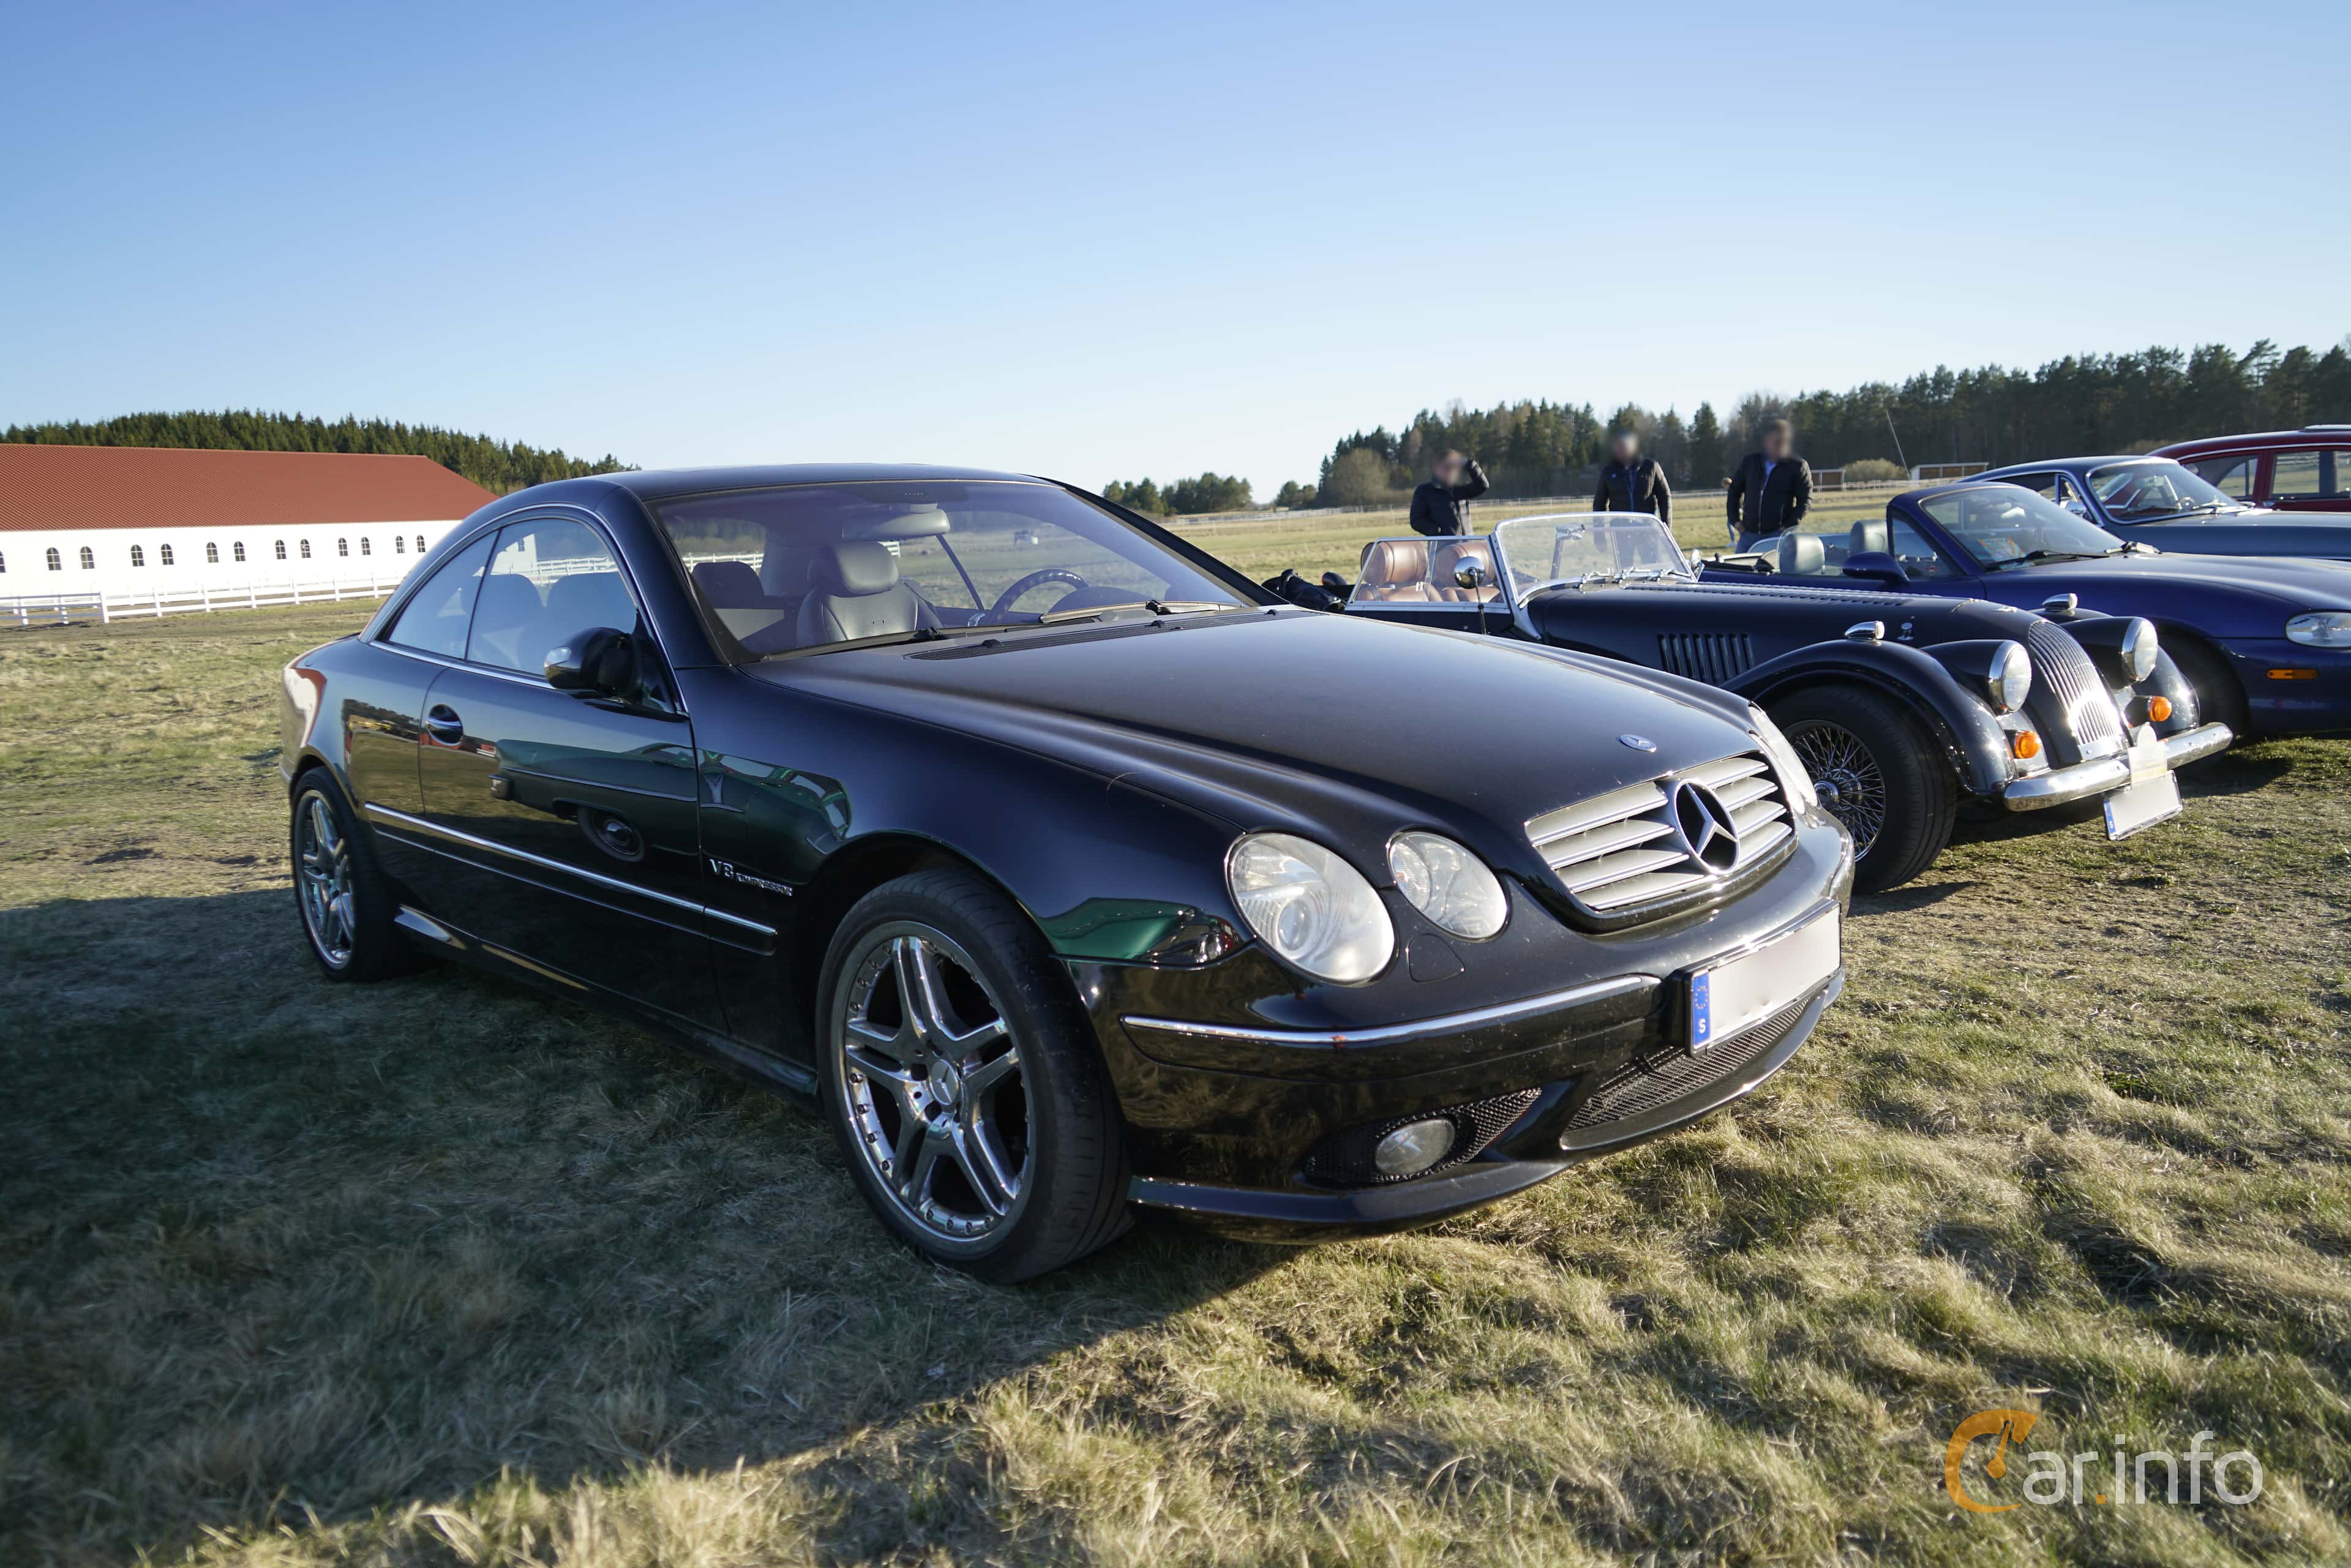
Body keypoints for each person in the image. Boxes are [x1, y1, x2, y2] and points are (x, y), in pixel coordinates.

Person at [1725, 419, 1813, 550]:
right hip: (1748, 535)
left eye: (1784, 442)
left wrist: (1788, 526)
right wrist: (1735, 520)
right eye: (1776, 442)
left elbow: (1805, 500)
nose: (1780, 446)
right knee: (1741, 570)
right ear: (1767, 441)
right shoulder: (1750, 463)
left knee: (1775, 571)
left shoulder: (1797, 466)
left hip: (1778, 536)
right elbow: (1734, 491)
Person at [1592, 429, 1671, 522]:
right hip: (1620, 530)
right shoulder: (1607, 472)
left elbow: (1665, 496)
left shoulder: (1651, 467)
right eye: (1619, 446)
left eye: (1625, 445)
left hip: (1647, 529)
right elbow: (1599, 504)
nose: (1622, 449)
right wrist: (1599, 533)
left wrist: (1665, 528)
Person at [1408, 449, 1490, 537]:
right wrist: (1437, 532)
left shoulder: (1460, 488)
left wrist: (1471, 465)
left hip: (1467, 545)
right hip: (1443, 547)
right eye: (1447, 466)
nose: (1450, 470)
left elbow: (1483, 485)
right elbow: (1416, 520)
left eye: (1453, 467)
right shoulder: (1424, 491)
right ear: (1436, 468)